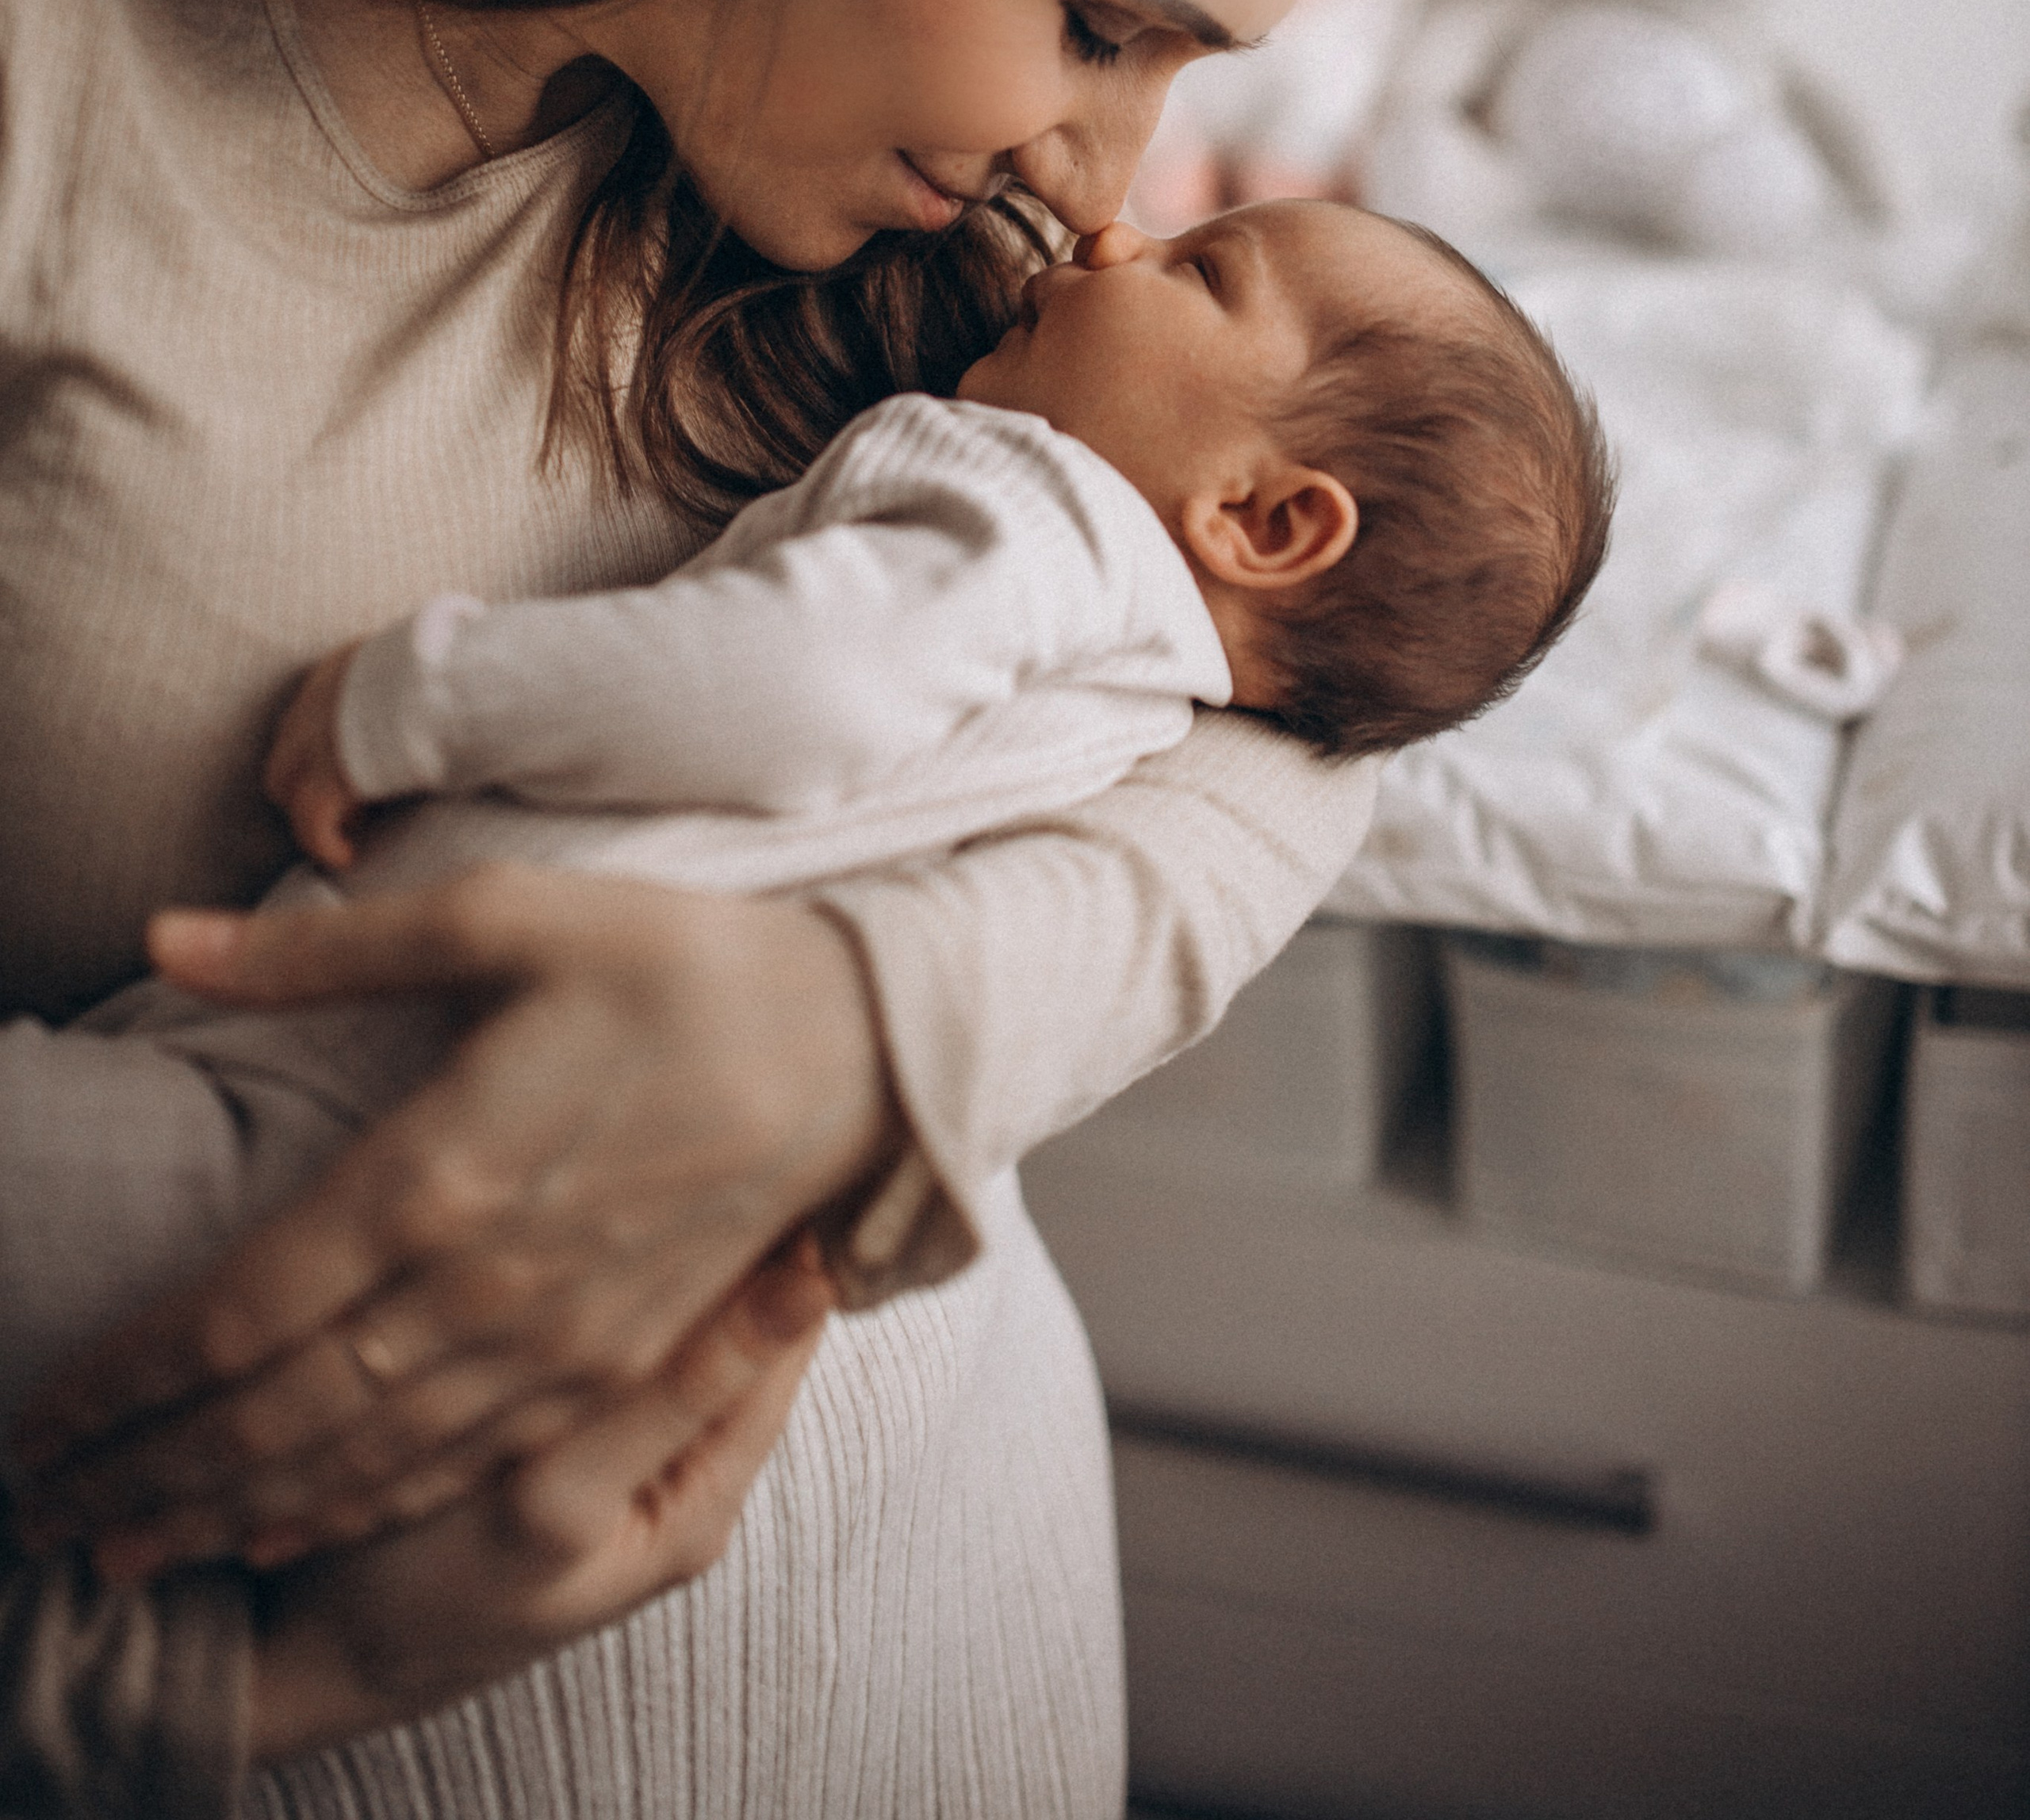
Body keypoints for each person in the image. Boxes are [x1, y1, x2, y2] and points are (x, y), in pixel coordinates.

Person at [0, 0, 1458, 1819]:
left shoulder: (908, 207)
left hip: (955, 1625)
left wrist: (867, 1035)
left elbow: (1339, 687)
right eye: (1104, 23)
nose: (1109, 174)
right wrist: (202, 1702)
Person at [2, 198, 1613, 1464]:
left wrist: (416, 693)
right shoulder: (1146, 700)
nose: (1111, 226)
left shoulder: (1039, 511)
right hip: (481, 1155)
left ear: (1263, 519)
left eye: (1202, 270)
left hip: (361, 1107)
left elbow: (791, 679)